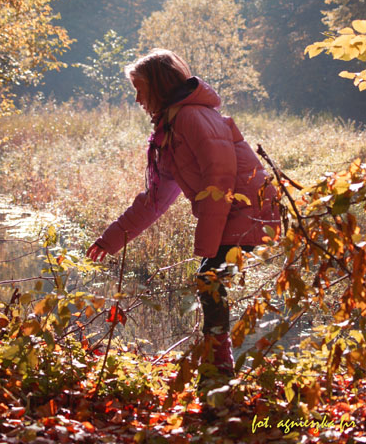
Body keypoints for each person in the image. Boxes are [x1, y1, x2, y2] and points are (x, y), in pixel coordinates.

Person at [87, 49, 280, 375]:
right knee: (210, 282)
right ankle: (217, 365)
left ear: (158, 87)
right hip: (234, 216)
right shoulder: (170, 131)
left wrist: (206, 246)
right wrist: (109, 240)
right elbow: (155, 201)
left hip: (252, 213)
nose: (137, 100)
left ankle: (218, 369)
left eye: (139, 90)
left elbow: (219, 180)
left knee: (209, 280)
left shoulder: (193, 118)